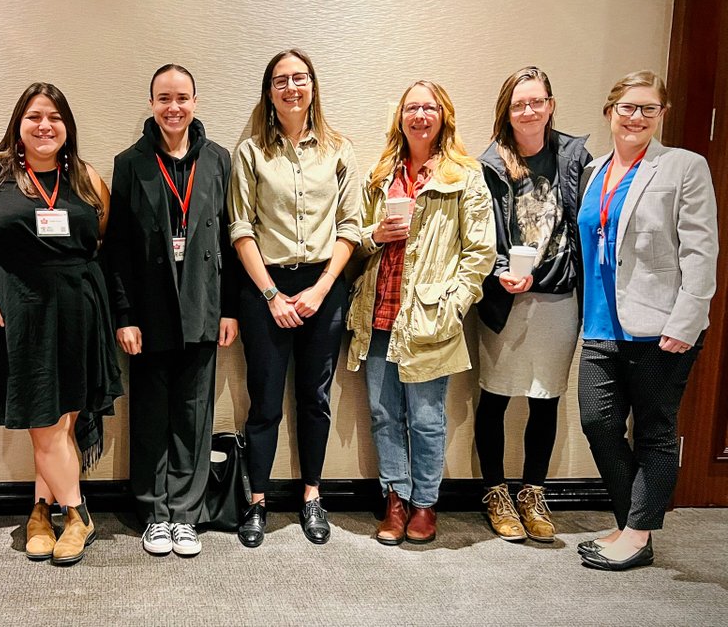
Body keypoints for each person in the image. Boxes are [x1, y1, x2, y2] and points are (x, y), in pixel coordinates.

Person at [0, 82, 121, 566]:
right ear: (18, 124)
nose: (45, 126)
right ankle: (80, 514)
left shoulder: (83, 176)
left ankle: (41, 511)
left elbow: (103, 235)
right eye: (35, 117)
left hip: (78, 313)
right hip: (17, 310)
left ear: (68, 128)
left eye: (55, 119)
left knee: (61, 423)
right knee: (44, 423)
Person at [575, 71, 718, 571]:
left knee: (655, 432)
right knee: (598, 422)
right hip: (598, 324)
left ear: (662, 115)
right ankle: (629, 520)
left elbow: (702, 250)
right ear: (610, 111)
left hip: (660, 325)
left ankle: (637, 534)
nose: (636, 117)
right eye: (627, 107)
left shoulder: (682, 167)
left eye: (648, 109)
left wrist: (688, 318)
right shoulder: (594, 172)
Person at [345, 80, 495, 545]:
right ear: (401, 117)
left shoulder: (463, 176)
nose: (420, 116)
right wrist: (376, 236)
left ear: (443, 116)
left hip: (430, 319)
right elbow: (356, 240)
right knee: (383, 413)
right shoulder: (381, 173)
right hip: (379, 314)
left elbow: (481, 252)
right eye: (412, 108)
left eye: (429, 108)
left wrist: (453, 306)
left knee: (426, 419)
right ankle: (395, 500)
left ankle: (425, 505)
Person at [228, 49, 363, 548]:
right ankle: (257, 502)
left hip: (324, 288)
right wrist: (271, 295)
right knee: (264, 402)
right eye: (281, 80)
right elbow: (240, 227)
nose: (291, 87)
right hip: (265, 287)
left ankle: (311, 496)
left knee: (316, 399)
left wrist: (321, 289)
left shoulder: (339, 150)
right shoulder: (250, 153)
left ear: (312, 87)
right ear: (269, 90)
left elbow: (350, 228)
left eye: (299, 78)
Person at [104, 64, 239, 557]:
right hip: (149, 311)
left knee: (192, 415)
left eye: (182, 97)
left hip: (203, 307)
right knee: (150, 414)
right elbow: (117, 248)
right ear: (152, 104)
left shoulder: (219, 160)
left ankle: (185, 513)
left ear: (196, 102)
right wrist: (124, 315)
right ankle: (153, 513)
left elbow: (232, 236)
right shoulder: (130, 163)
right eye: (164, 98)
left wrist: (229, 309)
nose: (173, 107)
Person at [474, 67, 592, 543]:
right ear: (507, 110)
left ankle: (533, 492)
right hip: (505, 296)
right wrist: (500, 268)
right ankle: (496, 493)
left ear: (550, 104)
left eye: (536, 102)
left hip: (558, 294)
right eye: (519, 103)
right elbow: (478, 232)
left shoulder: (574, 158)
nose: (528, 111)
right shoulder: (489, 163)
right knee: (497, 394)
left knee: (546, 398)